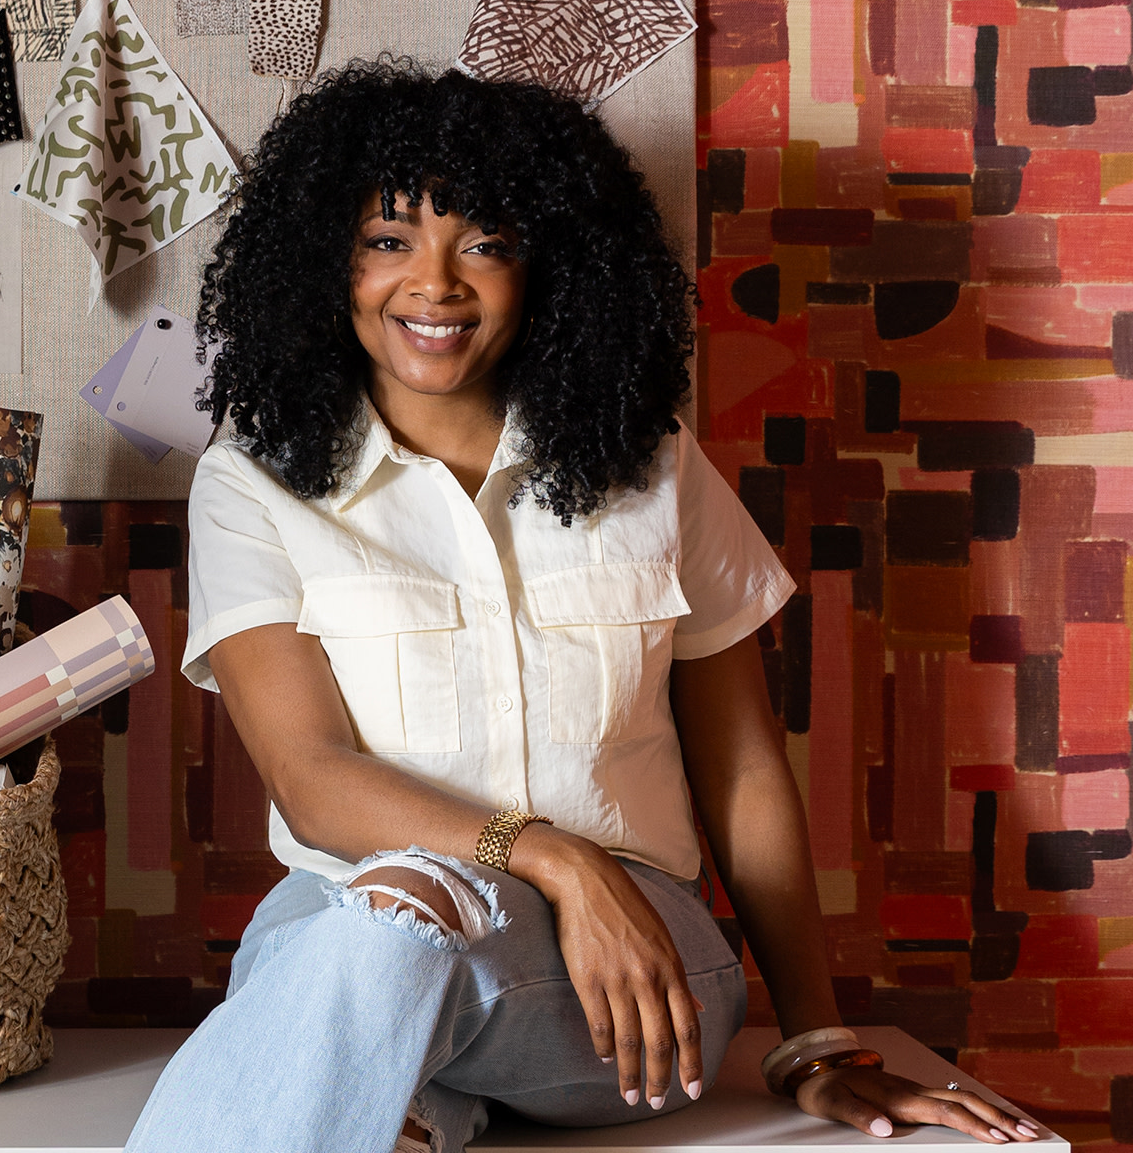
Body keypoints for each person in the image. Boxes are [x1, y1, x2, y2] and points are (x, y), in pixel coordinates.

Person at [122, 59, 1042, 1153]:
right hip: (346, 921)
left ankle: (401, 1086)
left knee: (376, 947)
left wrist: (817, 1044)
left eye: (485, 244)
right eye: (388, 240)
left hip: (627, 975)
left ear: (546, 265)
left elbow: (743, 772)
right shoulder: (249, 484)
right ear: (326, 258)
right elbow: (311, 780)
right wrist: (555, 855)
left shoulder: (652, 467)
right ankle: (417, 1105)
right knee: (374, 942)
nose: (434, 284)